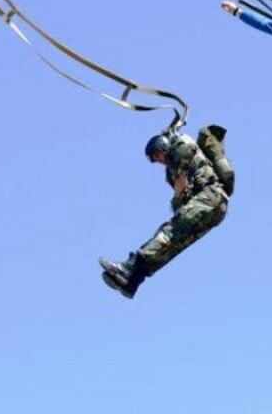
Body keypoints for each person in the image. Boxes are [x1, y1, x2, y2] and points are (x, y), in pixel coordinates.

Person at [99, 128, 230, 299]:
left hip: (211, 196)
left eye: (157, 154)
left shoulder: (181, 147)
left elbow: (183, 156)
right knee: (174, 244)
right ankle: (132, 281)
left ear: (164, 145)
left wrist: (172, 134)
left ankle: (129, 267)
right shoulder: (172, 171)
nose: (159, 160)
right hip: (214, 208)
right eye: (155, 159)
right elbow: (179, 202)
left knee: (168, 232)